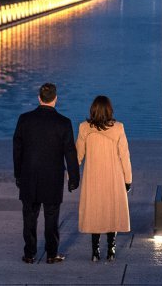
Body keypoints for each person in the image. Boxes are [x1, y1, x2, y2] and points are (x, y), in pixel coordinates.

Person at [13, 82, 80, 264]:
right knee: (51, 217)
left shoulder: (24, 119)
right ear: (55, 99)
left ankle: (29, 254)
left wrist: (18, 174)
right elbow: (70, 152)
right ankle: (52, 254)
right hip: (52, 178)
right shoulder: (63, 123)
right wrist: (74, 178)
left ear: (39, 98)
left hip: (29, 176)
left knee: (29, 217)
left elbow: (17, 149)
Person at [76, 95, 132, 262]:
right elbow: (125, 157)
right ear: (109, 109)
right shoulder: (118, 128)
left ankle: (95, 251)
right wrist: (128, 179)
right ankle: (111, 249)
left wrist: (71, 175)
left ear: (93, 109)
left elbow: (78, 155)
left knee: (95, 212)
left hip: (93, 178)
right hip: (113, 177)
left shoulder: (84, 128)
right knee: (111, 211)